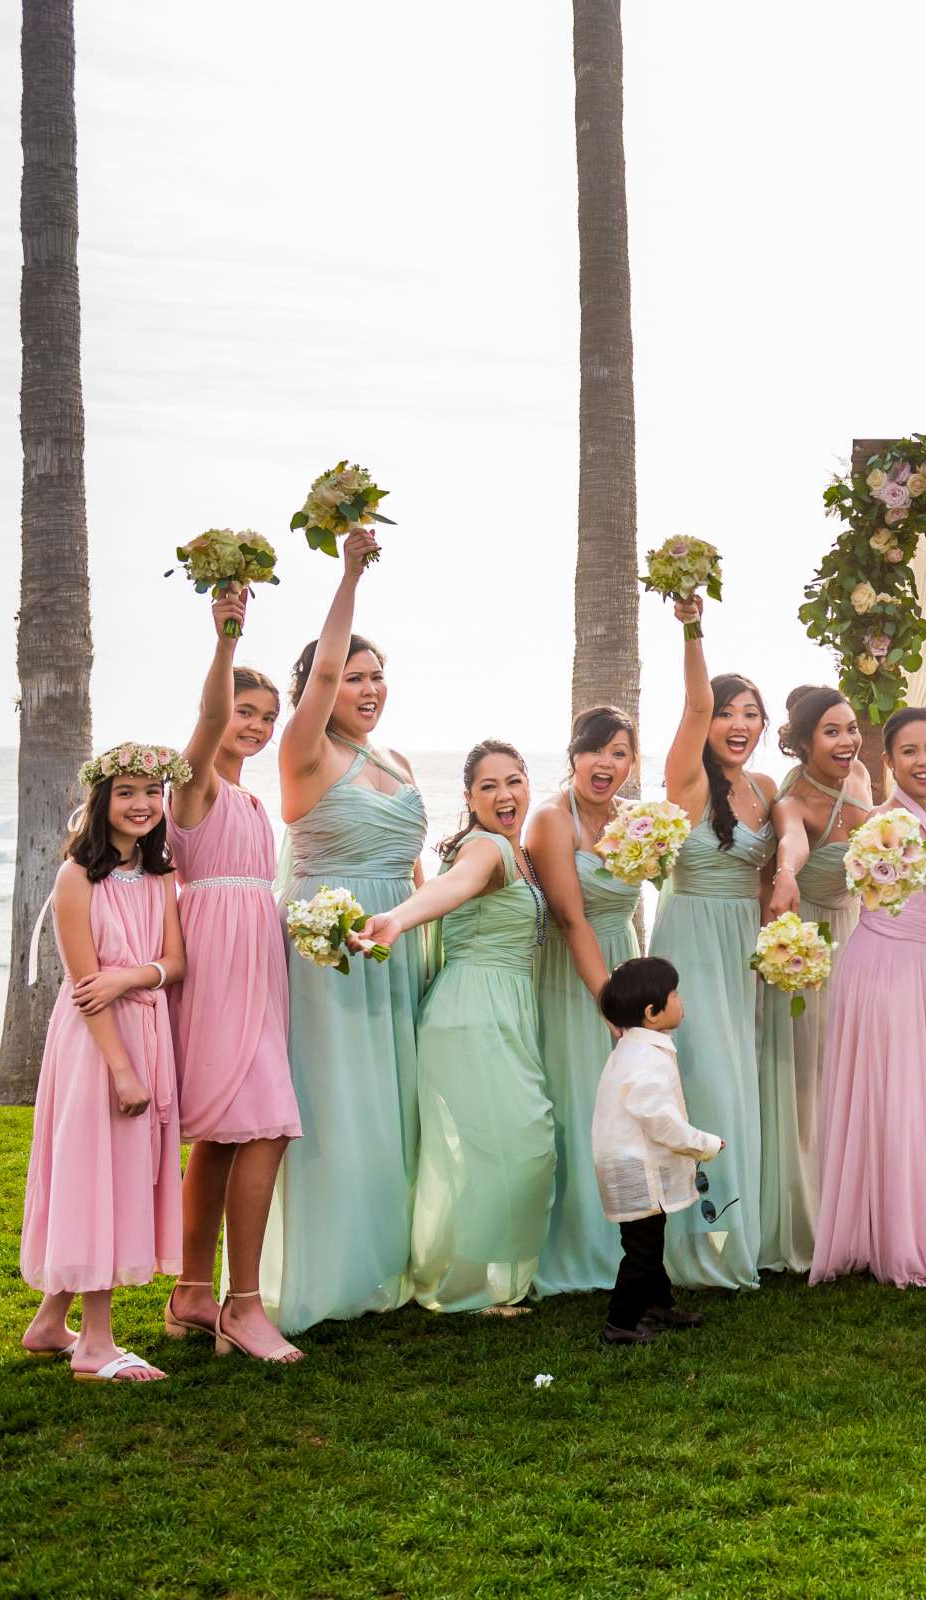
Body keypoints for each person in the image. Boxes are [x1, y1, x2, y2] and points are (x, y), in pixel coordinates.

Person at [266, 527, 430, 1334]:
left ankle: (388, 1260)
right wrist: (348, 575)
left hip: (395, 947)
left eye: (377, 677)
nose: (366, 689)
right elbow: (324, 669)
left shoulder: (395, 758)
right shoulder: (305, 750)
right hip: (327, 957)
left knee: (394, 1103)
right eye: (352, 677)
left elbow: (416, 868)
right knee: (338, 1105)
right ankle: (331, 1270)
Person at [361, 742, 557, 1314]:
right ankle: (461, 1285)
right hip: (474, 1009)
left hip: (506, 1008)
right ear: (469, 799)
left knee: (498, 1147)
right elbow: (455, 887)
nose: (504, 794)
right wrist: (397, 918)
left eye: (514, 781)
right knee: (515, 1145)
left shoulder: (520, 854)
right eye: (489, 786)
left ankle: (479, 1277)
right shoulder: (485, 847)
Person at [162, 584, 302, 1363]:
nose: (251, 727)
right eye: (246, 712)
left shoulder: (252, 804)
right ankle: (241, 1307)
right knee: (269, 1126)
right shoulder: (196, 786)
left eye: (264, 719)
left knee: (222, 1135)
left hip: (260, 969)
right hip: (218, 971)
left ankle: (190, 1292)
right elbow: (208, 723)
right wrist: (226, 640)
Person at [18, 744, 188, 1382]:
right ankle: (94, 1344)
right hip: (97, 1045)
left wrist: (132, 979)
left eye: (151, 791)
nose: (141, 803)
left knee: (119, 1169)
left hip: (144, 1026)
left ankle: (48, 1323)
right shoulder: (75, 878)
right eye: (126, 792)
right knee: (97, 1172)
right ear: (101, 801)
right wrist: (120, 1067)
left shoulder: (162, 879)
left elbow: (175, 964)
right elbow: (86, 986)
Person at [645, 595, 788, 1287]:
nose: (737, 723)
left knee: (740, 1079)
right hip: (692, 943)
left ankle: (737, 1233)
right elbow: (694, 709)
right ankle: (696, 1245)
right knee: (702, 1082)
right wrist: (693, 627)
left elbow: (792, 847)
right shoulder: (688, 780)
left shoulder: (764, 788)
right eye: (728, 711)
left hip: (742, 951)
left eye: (750, 713)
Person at [810, 706, 926, 1288]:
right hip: (886, 967)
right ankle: (897, 1240)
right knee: (896, 1094)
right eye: (909, 751)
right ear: (889, 762)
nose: (923, 761)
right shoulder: (877, 823)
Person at [525, 705, 642, 1296]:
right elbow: (572, 920)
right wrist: (611, 1001)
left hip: (624, 956)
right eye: (597, 749)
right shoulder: (552, 821)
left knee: (627, 1108)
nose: (607, 762)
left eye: (620, 752)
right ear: (574, 756)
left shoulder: (634, 820)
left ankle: (630, 1244)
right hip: (574, 976)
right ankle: (572, 1244)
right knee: (579, 1101)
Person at [765, 682, 873, 1272]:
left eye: (851, 727)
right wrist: (785, 873)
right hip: (810, 943)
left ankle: (855, 1204)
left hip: (858, 937)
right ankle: (811, 1212)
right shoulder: (793, 799)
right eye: (832, 731)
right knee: (811, 1076)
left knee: (851, 1071)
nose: (847, 740)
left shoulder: (860, 779)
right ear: (804, 743)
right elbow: (791, 844)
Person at [591, 957, 722, 1345]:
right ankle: (621, 1323)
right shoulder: (647, 1058)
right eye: (674, 995)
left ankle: (657, 1303)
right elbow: (659, 1120)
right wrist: (704, 1143)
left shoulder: (636, 1048)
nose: (681, 1002)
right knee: (641, 1251)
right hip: (636, 1169)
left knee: (649, 1241)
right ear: (651, 1013)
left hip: (631, 1164)